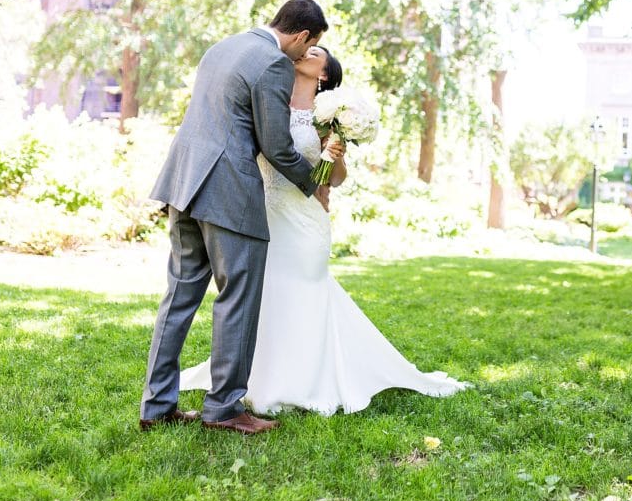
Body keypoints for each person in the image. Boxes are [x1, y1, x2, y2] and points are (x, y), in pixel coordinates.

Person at [179, 46, 468, 416]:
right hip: (265, 211)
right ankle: (256, 377)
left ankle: (304, 381)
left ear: (325, 74)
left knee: (304, 292)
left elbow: (332, 181)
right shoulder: (270, 100)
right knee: (266, 295)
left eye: (316, 51)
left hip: (305, 220)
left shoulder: (327, 117)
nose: (305, 51)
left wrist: (336, 156)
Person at [139, 0, 329, 435]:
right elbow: (276, 144)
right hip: (228, 193)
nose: (303, 56)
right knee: (237, 298)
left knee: (179, 296)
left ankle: (156, 405)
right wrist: (311, 181)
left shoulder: (223, 47)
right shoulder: (274, 63)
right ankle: (224, 408)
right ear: (302, 36)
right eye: (309, 47)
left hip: (184, 183)